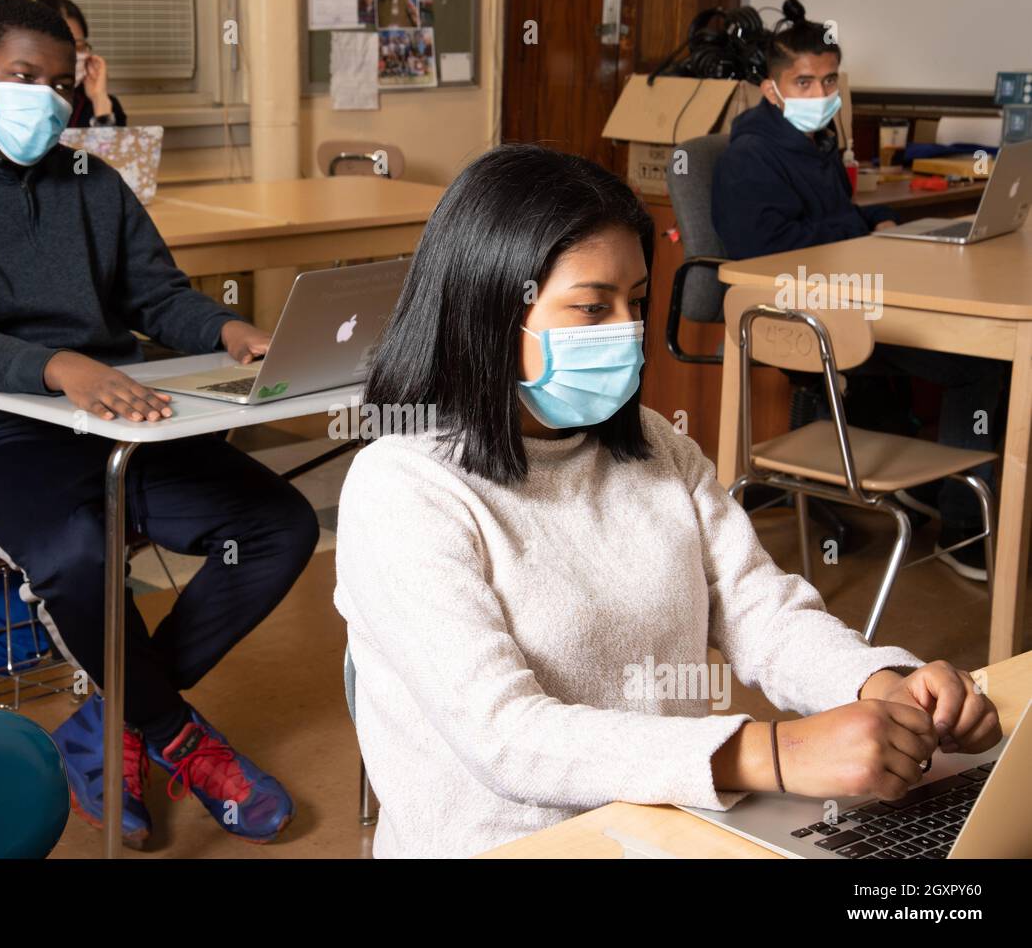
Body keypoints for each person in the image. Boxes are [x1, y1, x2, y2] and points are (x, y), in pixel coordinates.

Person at [333, 143, 1001, 858]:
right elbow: (506, 736)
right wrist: (772, 753)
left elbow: (757, 610)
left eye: (638, 303)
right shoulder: (400, 488)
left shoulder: (653, 442)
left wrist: (878, 682)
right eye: (592, 307)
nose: (625, 332)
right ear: (491, 307)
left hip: (669, 827)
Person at [0, 0, 315, 847]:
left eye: (63, 84)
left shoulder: (92, 183)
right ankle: (177, 736)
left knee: (274, 525)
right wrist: (56, 366)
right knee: (78, 550)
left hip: (112, 418)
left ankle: (113, 721)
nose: (50, 99)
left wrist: (226, 328)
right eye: (25, 79)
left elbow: (157, 295)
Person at [712, 0, 1007, 581]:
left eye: (827, 79)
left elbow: (834, 224)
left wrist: (878, 225)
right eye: (803, 81)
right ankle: (961, 525)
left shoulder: (814, 144)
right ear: (772, 89)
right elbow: (767, 253)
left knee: (960, 353)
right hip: (802, 321)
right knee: (979, 363)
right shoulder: (752, 155)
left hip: (847, 296)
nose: (819, 92)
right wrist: (859, 229)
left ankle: (929, 489)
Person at [37, 0, 126, 127]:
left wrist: (99, 99)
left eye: (78, 46)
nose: (70, 55)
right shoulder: (16, 103)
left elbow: (112, 146)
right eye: (60, 47)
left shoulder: (102, 104)